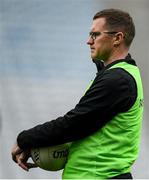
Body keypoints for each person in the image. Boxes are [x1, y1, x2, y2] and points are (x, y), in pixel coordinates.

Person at [11, 8, 144, 179]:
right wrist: (39, 144)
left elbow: (75, 124)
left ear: (117, 38)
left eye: (95, 35)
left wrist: (25, 139)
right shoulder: (121, 75)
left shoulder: (117, 80)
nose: (88, 41)